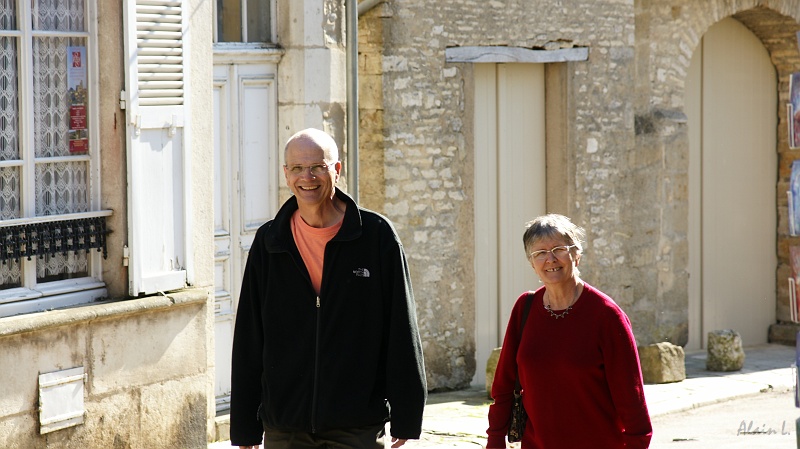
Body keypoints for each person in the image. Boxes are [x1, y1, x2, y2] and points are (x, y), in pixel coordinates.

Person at [230, 128, 427, 449]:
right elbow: (249, 337)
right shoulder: (270, 242)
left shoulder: (376, 237)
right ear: (286, 174)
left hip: (356, 424)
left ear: (337, 170)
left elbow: (401, 328)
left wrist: (407, 414)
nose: (306, 177)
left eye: (317, 167)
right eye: (296, 168)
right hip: (285, 424)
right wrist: (244, 426)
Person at [486, 214, 652, 449]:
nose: (550, 258)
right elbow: (504, 385)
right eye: (540, 253)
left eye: (559, 249)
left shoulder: (606, 316)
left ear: (577, 254)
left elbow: (631, 398)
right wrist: (494, 440)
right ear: (532, 263)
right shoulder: (525, 308)